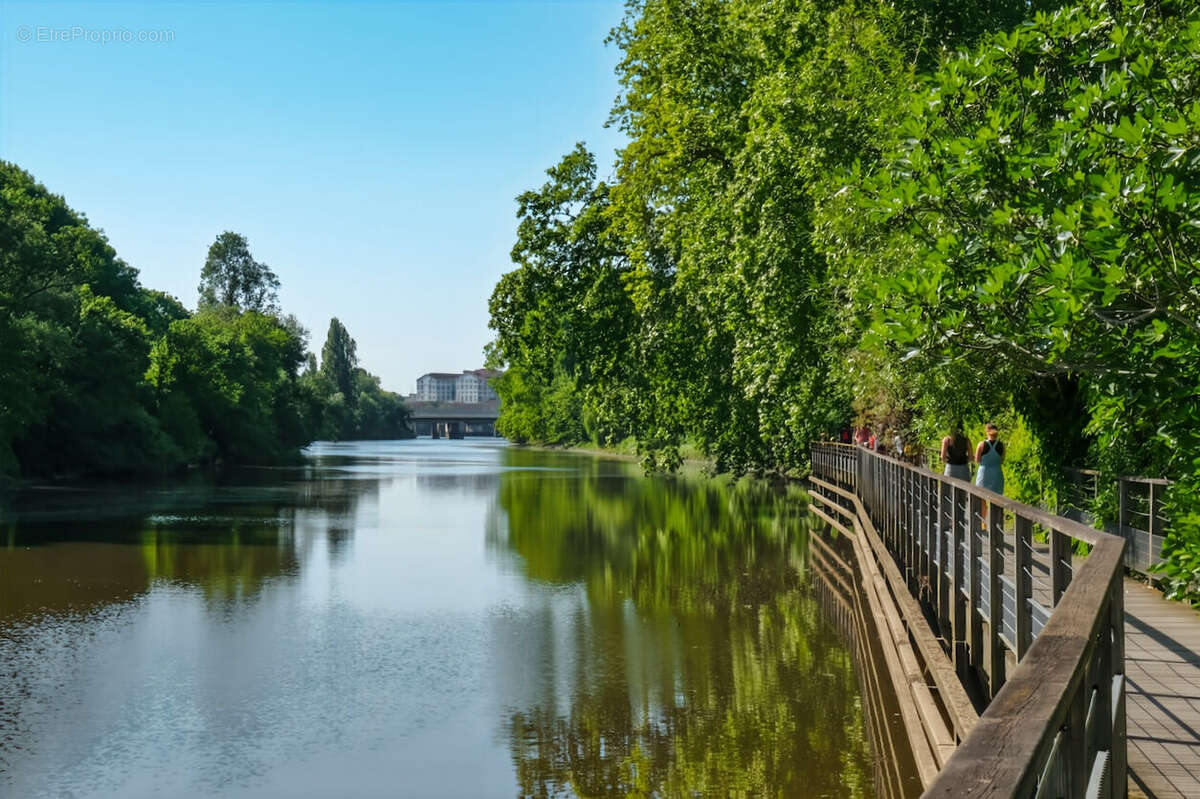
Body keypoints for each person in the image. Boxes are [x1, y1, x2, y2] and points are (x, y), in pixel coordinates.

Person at [975, 422, 1005, 495]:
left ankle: (984, 507)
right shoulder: (1001, 445)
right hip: (997, 473)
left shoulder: (981, 444)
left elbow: (977, 460)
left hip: (984, 473)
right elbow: (1001, 460)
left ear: (987, 432)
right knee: (997, 497)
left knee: (981, 495)